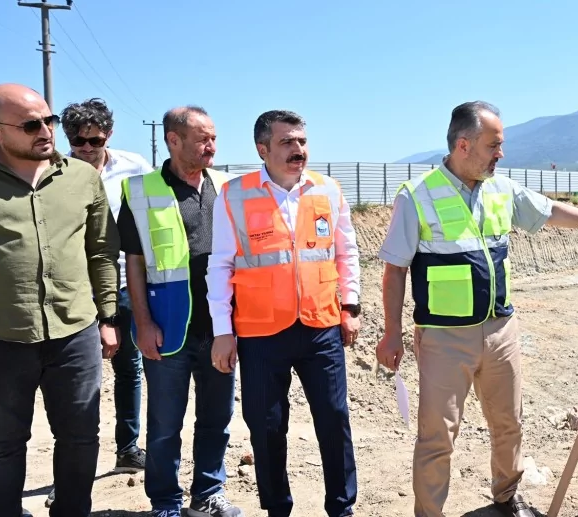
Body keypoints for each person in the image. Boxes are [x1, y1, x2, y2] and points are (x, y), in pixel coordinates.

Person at [375, 101, 578, 517]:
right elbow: (395, 270)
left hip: (501, 330)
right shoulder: (417, 196)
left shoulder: (501, 189)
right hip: (444, 338)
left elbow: (549, 211)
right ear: (463, 145)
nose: (500, 154)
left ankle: (507, 495)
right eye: (493, 145)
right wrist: (391, 332)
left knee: (509, 423)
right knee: (437, 436)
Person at [208, 110, 361, 517]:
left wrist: (350, 306)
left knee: (334, 419)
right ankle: (277, 508)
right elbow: (220, 264)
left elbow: (346, 252)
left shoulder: (328, 189)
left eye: (302, 141)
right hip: (260, 332)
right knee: (267, 426)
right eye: (287, 142)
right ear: (263, 149)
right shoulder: (234, 194)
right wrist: (223, 331)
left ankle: (342, 507)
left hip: (321, 325)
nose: (298, 150)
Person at [0, 83, 120, 517]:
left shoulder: (82, 178)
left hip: (75, 332)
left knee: (81, 437)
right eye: (31, 125)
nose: (46, 131)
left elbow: (101, 251)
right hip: (2, 336)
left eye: (48, 120)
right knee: (2, 444)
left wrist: (107, 316)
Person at [117, 105, 242, 517]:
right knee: (165, 424)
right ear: (174, 140)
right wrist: (142, 322)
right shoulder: (140, 191)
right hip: (167, 327)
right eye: (203, 139)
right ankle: (166, 502)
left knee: (216, 419)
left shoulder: (226, 186)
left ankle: (208, 494)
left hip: (219, 327)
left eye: (214, 138)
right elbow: (134, 262)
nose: (212, 146)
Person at [37, 98, 154, 508]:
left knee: (130, 369)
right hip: (75, 291)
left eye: (95, 140)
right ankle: (71, 474)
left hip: (127, 284)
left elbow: (151, 221)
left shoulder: (135, 168)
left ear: (109, 135)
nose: (86, 148)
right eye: (78, 141)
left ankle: (128, 447)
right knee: (75, 383)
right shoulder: (51, 172)